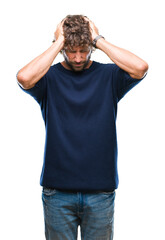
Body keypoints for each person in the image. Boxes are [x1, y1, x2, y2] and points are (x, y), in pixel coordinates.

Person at [17, 15, 148, 240]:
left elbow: (140, 68)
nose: (78, 58)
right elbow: (24, 78)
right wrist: (59, 41)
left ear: (91, 48)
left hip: (100, 192)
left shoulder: (109, 76)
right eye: (71, 50)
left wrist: (97, 38)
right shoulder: (48, 79)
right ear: (62, 49)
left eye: (83, 50)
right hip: (57, 193)